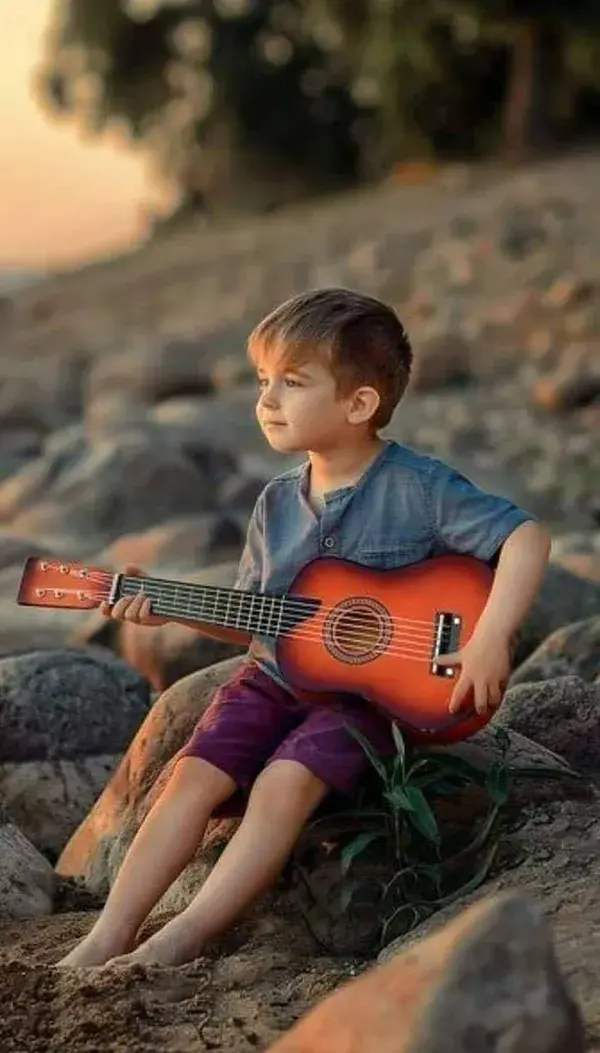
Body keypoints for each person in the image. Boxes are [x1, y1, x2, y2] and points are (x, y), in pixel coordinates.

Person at [58, 288, 551, 968]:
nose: (265, 400)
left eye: (291, 382)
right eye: (263, 380)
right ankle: (106, 934)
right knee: (189, 777)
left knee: (283, 785)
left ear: (359, 404)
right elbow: (257, 622)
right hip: (274, 678)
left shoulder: (418, 486)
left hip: (370, 696)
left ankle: (184, 935)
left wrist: (491, 635)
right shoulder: (274, 504)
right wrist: (167, 607)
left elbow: (524, 536)